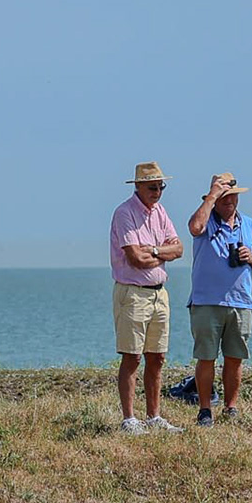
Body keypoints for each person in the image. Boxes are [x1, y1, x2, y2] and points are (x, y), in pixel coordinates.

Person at [185, 172, 252, 427]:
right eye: (223, 197)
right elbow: (194, 228)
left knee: (235, 357)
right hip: (206, 301)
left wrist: (250, 257)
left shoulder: (250, 225)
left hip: (241, 301)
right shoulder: (206, 220)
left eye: (232, 196)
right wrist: (211, 197)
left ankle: (231, 407)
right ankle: (205, 409)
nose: (228, 201)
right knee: (206, 357)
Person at [109, 162, 186, 433]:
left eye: (161, 186)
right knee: (132, 357)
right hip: (133, 294)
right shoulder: (124, 213)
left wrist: (153, 250)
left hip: (158, 294)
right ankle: (129, 419)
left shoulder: (160, 212)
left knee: (158, 356)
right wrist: (160, 253)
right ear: (138, 186)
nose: (158, 191)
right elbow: (135, 259)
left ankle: (154, 417)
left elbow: (178, 248)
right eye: (153, 186)